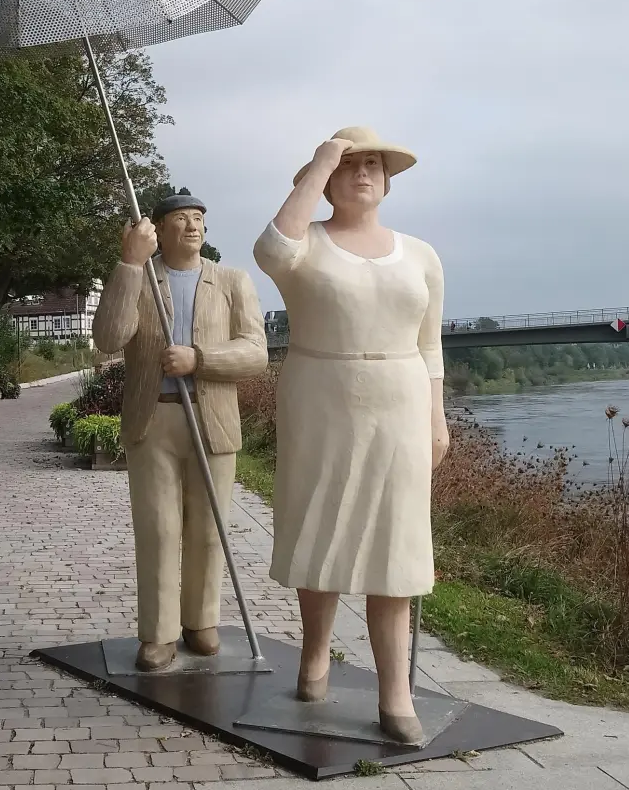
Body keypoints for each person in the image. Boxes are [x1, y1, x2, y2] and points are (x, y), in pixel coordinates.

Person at [253, 126, 448, 745]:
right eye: (348, 165)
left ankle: (396, 694)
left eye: (372, 164)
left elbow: (431, 345)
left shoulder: (420, 255)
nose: (361, 173)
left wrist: (437, 416)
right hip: (322, 398)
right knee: (322, 528)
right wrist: (321, 160)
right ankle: (314, 656)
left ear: (388, 181)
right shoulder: (305, 245)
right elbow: (269, 250)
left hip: (400, 399)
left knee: (397, 543)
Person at [91, 190, 268, 671]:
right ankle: (159, 633)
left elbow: (256, 351)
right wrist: (129, 264)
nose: (192, 227)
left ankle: (201, 621)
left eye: (198, 219)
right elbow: (108, 338)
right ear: (159, 228)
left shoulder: (231, 281)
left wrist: (202, 359)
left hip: (212, 420)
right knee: (158, 530)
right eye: (180, 220)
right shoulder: (141, 277)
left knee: (209, 531)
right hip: (154, 418)